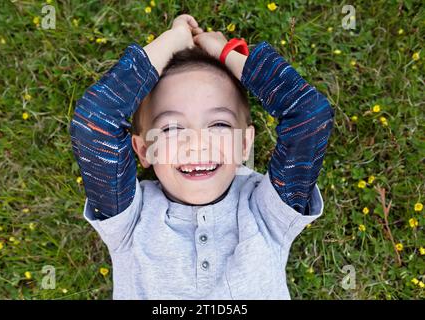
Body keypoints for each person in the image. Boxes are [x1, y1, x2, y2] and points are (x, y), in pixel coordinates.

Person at [69, 14, 335, 299]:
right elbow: (95, 124)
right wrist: (171, 42)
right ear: (144, 150)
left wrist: (228, 53)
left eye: (219, 124)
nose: (197, 143)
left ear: (245, 144)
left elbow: (309, 115)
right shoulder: (129, 220)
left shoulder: (266, 212)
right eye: (171, 127)